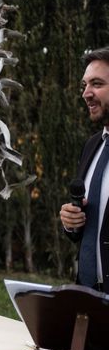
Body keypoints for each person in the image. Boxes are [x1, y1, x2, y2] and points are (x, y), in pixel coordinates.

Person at [60, 47, 109, 293]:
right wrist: (72, 222)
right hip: (87, 295)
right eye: (84, 85)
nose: (86, 94)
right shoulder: (92, 145)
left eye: (97, 84)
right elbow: (89, 230)